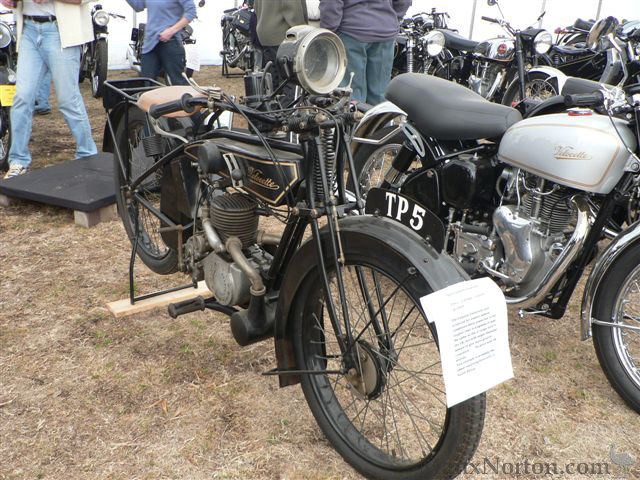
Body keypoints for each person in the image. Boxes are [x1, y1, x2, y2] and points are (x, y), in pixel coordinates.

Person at [1, 0, 98, 179]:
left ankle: (87, 157)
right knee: (22, 97)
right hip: (28, 29)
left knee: (68, 100)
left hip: (60, 32)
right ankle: (18, 161)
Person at [320, 0, 412, 105]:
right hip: (385, 32)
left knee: (350, 94)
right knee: (379, 95)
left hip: (351, 32)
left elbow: (331, 4)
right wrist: (391, 18)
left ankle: (354, 119)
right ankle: (379, 120)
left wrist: (328, 32)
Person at [254, 0, 318, 105]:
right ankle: (284, 116)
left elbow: (256, 7)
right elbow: (292, 10)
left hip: (265, 33)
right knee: (289, 83)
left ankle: (273, 113)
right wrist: (303, 30)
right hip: (283, 36)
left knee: (272, 83)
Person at [124, 0, 197, 86]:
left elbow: (191, 12)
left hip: (171, 42)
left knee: (178, 82)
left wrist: (172, 30)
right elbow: (138, 6)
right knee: (146, 82)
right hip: (150, 44)